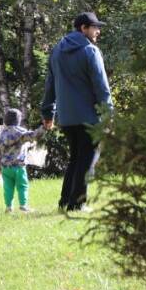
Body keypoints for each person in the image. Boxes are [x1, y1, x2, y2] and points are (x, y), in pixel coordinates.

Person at [40, 11, 112, 212]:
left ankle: (65, 201)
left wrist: (48, 113)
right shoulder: (90, 51)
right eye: (95, 27)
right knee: (87, 160)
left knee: (75, 158)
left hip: (66, 118)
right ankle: (77, 203)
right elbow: (101, 87)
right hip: (88, 116)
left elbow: (50, 86)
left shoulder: (56, 51)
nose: (98, 31)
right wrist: (108, 114)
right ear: (83, 28)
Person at [0, 108, 45, 214]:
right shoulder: (21, 133)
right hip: (19, 167)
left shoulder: (1, 135)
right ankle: (23, 206)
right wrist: (44, 127)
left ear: (5, 120)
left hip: (5, 168)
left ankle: (8, 207)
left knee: (8, 188)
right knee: (22, 186)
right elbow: (34, 135)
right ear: (18, 120)